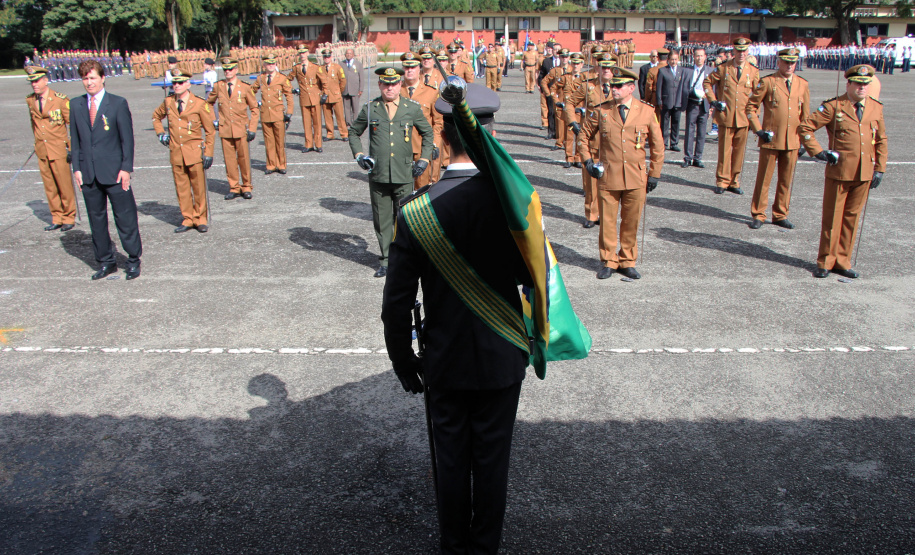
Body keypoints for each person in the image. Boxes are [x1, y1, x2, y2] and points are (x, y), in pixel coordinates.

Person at [380, 81, 532, 555]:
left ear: (443, 136)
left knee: (449, 462)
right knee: (492, 462)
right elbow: (538, 280)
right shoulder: (517, 204)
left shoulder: (416, 211)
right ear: (491, 134)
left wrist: (405, 365)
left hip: (443, 361)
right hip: (502, 354)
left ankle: (453, 546)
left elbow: (396, 304)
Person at [799, 64, 887, 279]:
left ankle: (842, 261)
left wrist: (880, 169)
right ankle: (826, 261)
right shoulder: (834, 106)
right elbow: (805, 127)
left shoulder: (875, 107)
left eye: (865, 84)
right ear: (848, 84)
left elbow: (881, 139)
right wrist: (819, 152)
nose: (862, 88)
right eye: (858, 84)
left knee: (851, 219)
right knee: (833, 218)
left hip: (864, 173)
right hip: (839, 172)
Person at [578, 65, 664, 280]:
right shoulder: (602, 110)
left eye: (618, 86)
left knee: (631, 221)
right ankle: (608, 260)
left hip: (636, 176)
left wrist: (654, 173)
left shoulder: (647, 111)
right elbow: (583, 137)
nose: (613, 89)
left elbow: (658, 145)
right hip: (609, 175)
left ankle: (627, 261)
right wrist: (588, 161)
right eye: (612, 86)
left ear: (631, 88)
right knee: (607, 221)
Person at [347, 67, 433, 277]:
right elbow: (354, 132)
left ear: (400, 84)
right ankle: (386, 260)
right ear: (379, 85)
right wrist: (359, 155)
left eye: (394, 83)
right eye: (386, 84)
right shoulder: (371, 109)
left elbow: (428, 133)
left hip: (404, 173)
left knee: (405, 220)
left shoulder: (410, 108)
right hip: (378, 175)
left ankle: (406, 259)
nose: (390, 88)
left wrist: (423, 159)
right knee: (382, 219)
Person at [70, 60, 141, 280]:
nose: (88, 82)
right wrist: (77, 168)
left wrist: (126, 168)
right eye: (85, 78)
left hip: (114, 172)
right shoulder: (76, 105)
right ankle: (106, 261)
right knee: (96, 219)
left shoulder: (117, 103)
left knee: (125, 217)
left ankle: (132, 259)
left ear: (102, 78)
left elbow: (126, 140)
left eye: (92, 78)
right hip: (89, 173)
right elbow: (76, 140)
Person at [745, 47, 810, 230]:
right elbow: (751, 108)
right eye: (786, 62)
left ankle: (780, 214)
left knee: (786, 180)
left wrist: (804, 139)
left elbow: (805, 116)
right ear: (778, 62)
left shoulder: (802, 84)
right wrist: (759, 130)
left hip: (792, 141)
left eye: (792, 62)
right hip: (771, 139)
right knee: (764, 178)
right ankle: (758, 213)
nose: (789, 66)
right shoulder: (768, 82)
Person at [152, 68, 215, 233]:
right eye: (174, 82)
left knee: (198, 187)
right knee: (182, 188)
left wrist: (208, 153)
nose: (176, 85)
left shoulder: (200, 103)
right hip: (176, 152)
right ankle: (188, 218)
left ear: (188, 83)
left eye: (180, 82)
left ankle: (200, 218)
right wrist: (161, 134)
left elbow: (210, 131)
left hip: (194, 152)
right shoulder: (168, 102)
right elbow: (156, 117)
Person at [704, 37, 760, 195]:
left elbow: (758, 94)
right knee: (724, 151)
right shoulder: (723, 68)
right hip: (726, 116)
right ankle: (722, 181)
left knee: (739, 152)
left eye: (744, 51)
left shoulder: (753, 71)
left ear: (748, 52)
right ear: (733, 51)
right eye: (738, 50)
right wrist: (713, 101)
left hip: (743, 117)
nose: (741, 54)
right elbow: (707, 83)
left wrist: (754, 117)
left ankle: (734, 181)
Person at [25, 66, 77, 232]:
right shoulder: (30, 100)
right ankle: (57, 216)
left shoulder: (60, 99)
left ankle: (69, 216)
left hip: (59, 148)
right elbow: (35, 124)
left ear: (46, 80)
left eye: (37, 80)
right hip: (42, 149)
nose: (34, 84)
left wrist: (72, 148)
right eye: (32, 82)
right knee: (50, 186)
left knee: (64, 184)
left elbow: (72, 125)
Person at [207, 57, 259, 200]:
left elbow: (254, 108)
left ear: (236, 70)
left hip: (241, 128)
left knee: (243, 159)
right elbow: (208, 103)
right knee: (229, 160)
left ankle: (247, 186)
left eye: (230, 69)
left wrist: (252, 127)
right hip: (225, 129)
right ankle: (234, 187)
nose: (228, 72)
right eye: (225, 70)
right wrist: (214, 120)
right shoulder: (218, 86)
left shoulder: (245, 87)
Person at [400, 51, 443, 190]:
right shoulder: (396, 91)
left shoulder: (432, 92)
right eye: (407, 67)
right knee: (402, 190)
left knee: (424, 189)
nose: (410, 71)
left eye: (413, 67)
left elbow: (438, 123)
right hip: (401, 149)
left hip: (423, 149)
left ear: (419, 69)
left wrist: (435, 144)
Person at [251, 55, 293, 175]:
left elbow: (289, 96)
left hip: (278, 114)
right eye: (268, 64)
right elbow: (251, 91)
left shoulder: (282, 78)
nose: (271, 66)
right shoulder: (261, 78)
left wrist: (289, 112)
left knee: (279, 141)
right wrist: (254, 103)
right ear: (264, 65)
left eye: (273, 64)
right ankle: (270, 165)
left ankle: (281, 164)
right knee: (269, 141)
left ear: (276, 64)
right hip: (265, 114)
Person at [681, 48, 713, 168]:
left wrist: (711, 107)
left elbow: (713, 90)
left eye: (701, 56)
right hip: (692, 104)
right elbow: (683, 87)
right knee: (689, 130)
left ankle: (698, 158)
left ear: (705, 57)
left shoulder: (710, 71)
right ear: (693, 57)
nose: (699, 58)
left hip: (704, 104)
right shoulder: (688, 71)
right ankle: (688, 157)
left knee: (701, 133)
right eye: (697, 56)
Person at [290, 47, 326, 154]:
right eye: (300, 53)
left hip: (315, 97)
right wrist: (291, 89)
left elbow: (324, 81)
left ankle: (318, 144)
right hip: (304, 98)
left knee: (317, 122)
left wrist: (325, 93)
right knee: (306, 123)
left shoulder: (315, 67)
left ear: (307, 53)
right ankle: (308, 144)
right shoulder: (296, 68)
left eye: (304, 53)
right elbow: (287, 79)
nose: (302, 55)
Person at [656, 49, 685, 151]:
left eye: (676, 59)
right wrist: (659, 101)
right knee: (664, 123)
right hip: (666, 101)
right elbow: (658, 87)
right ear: (668, 60)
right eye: (672, 59)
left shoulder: (682, 70)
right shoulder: (663, 71)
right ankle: (664, 142)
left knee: (676, 123)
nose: (674, 61)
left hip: (678, 101)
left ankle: (674, 143)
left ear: (678, 59)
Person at [318, 48, 348, 141]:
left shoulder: (337, 67)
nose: (327, 58)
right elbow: (318, 82)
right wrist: (321, 92)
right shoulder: (320, 68)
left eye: (328, 56)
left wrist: (339, 91)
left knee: (340, 116)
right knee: (327, 116)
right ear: (323, 58)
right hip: (325, 96)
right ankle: (330, 134)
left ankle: (344, 134)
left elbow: (343, 81)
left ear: (331, 57)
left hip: (336, 95)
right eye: (325, 57)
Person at [340, 47, 363, 127]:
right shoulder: (341, 64)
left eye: (350, 53)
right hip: (345, 89)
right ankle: (348, 122)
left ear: (353, 55)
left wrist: (361, 89)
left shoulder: (358, 64)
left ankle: (355, 122)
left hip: (355, 89)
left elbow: (361, 78)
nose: (348, 55)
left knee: (355, 107)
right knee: (346, 107)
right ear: (345, 55)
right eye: (347, 53)